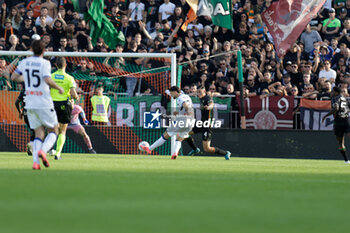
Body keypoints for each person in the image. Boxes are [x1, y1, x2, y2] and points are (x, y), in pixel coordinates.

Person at [11, 40, 64, 170]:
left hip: (30, 103)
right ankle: (43, 151)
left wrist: (25, 79)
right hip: (44, 101)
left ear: (32, 50)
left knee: (38, 133)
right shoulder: (45, 63)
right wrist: (58, 87)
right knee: (54, 130)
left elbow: (13, 77)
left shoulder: (24, 63)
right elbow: (46, 79)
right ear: (43, 51)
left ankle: (36, 162)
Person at [140, 86, 194, 159]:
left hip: (183, 120)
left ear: (175, 92)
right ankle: (175, 153)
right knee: (180, 138)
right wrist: (179, 113)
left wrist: (187, 112)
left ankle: (149, 149)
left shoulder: (180, 98)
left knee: (166, 135)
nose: (171, 96)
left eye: (171, 94)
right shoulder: (187, 96)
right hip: (190, 122)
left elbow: (186, 105)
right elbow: (185, 107)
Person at [185, 86, 231, 160]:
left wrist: (208, 107)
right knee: (185, 133)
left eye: (200, 92)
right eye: (198, 92)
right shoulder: (201, 99)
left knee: (207, 149)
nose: (198, 94)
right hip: (201, 123)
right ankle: (194, 149)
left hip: (207, 125)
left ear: (204, 92)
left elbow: (212, 105)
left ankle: (225, 153)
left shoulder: (207, 98)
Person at [51, 57, 78, 160]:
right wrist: (76, 97)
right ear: (65, 65)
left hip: (52, 104)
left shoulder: (51, 76)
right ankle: (57, 154)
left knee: (53, 128)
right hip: (64, 105)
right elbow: (73, 94)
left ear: (56, 65)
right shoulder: (69, 78)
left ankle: (48, 149)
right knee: (63, 130)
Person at [322, 86, 350, 164]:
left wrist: (326, 115)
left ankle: (346, 160)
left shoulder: (335, 99)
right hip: (347, 120)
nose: (331, 93)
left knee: (341, 143)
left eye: (332, 92)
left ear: (336, 92)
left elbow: (335, 108)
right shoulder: (346, 98)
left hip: (338, 122)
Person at [15, 87, 35, 156]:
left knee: (34, 131)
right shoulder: (37, 90)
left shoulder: (24, 91)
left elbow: (16, 102)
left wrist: (20, 112)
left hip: (26, 114)